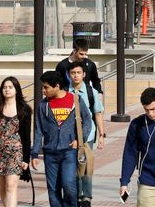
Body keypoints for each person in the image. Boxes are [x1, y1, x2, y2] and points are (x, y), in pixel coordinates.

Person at [31, 70, 93, 207]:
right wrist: (34, 152)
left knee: (69, 185)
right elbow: (38, 130)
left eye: (46, 87)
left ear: (57, 86)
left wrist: (80, 139)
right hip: (50, 154)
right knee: (53, 190)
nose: (43, 90)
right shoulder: (43, 105)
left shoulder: (75, 100)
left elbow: (88, 121)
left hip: (69, 152)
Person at [0, 77, 32, 207]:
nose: (7, 90)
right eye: (4, 87)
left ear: (16, 90)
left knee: (11, 186)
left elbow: (26, 136)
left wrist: (26, 158)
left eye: (10, 87)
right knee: (2, 189)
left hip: (15, 152)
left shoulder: (24, 109)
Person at [68, 64, 105, 207]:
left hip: (87, 135)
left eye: (78, 72)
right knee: (73, 167)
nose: (76, 75)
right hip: (70, 136)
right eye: (73, 72)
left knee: (86, 165)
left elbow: (97, 113)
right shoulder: (66, 92)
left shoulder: (91, 92)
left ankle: (86, 197)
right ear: (69, 74)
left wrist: (102, 135)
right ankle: (77, 195)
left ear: (84, 74)